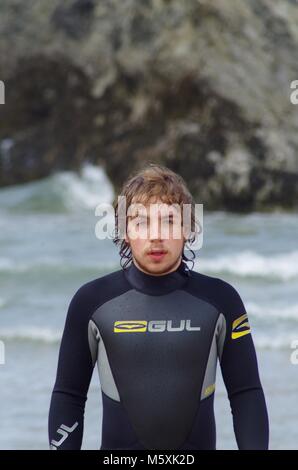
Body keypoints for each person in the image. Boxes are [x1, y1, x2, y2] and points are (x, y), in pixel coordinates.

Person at [48, 163, 269, 450]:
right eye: (142, 222)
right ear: (124, 230)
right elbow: (69, 395)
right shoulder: (91, 302)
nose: (156, 235)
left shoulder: (222, 301)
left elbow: (246, 393)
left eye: (168, 221)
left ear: (188, 229)